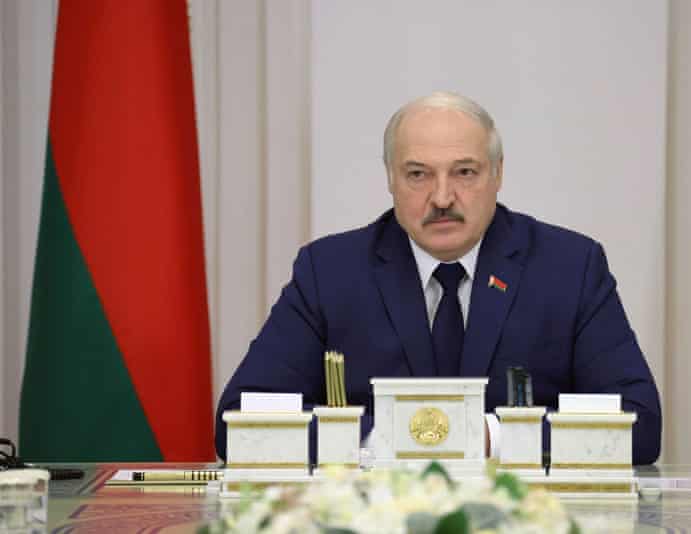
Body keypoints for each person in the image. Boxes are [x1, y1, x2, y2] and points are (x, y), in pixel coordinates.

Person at [215, 91, 662, 464]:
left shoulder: (569, 267)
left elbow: (639, 426)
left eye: (464, 172)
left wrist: (491, 437)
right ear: (390, 177)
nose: (443, 197)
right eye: (418, 175)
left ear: (498, 173)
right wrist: (392, 436)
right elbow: (238, 425)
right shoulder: (330, 271)